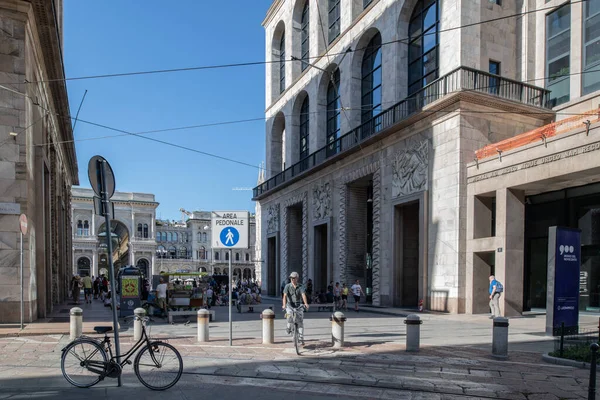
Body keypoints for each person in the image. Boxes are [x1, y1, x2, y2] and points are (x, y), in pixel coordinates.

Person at [282, 272, 309, 345]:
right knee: (289, 315)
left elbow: (303, 295)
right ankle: (288, 326)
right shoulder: (287, 286)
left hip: (298, 305)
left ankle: (301, 337)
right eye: (291, 278)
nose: (292, 279)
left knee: (300, 322)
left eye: (294, 278)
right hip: (289, 305)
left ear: (297, 278)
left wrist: (306, 303)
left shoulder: (301, 286)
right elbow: (284, 296)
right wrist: (284, 305)